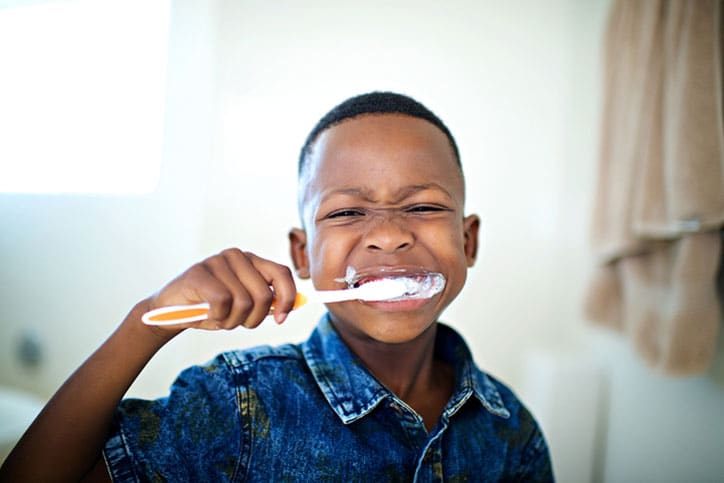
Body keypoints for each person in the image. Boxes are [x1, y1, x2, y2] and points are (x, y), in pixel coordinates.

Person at [0, 92, 554, 482]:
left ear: (469, 240)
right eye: (345, 212)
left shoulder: (513, 433)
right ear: (301, 254)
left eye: (425, 207)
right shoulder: (235, 405)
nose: (388, 235)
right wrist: (147, 320)